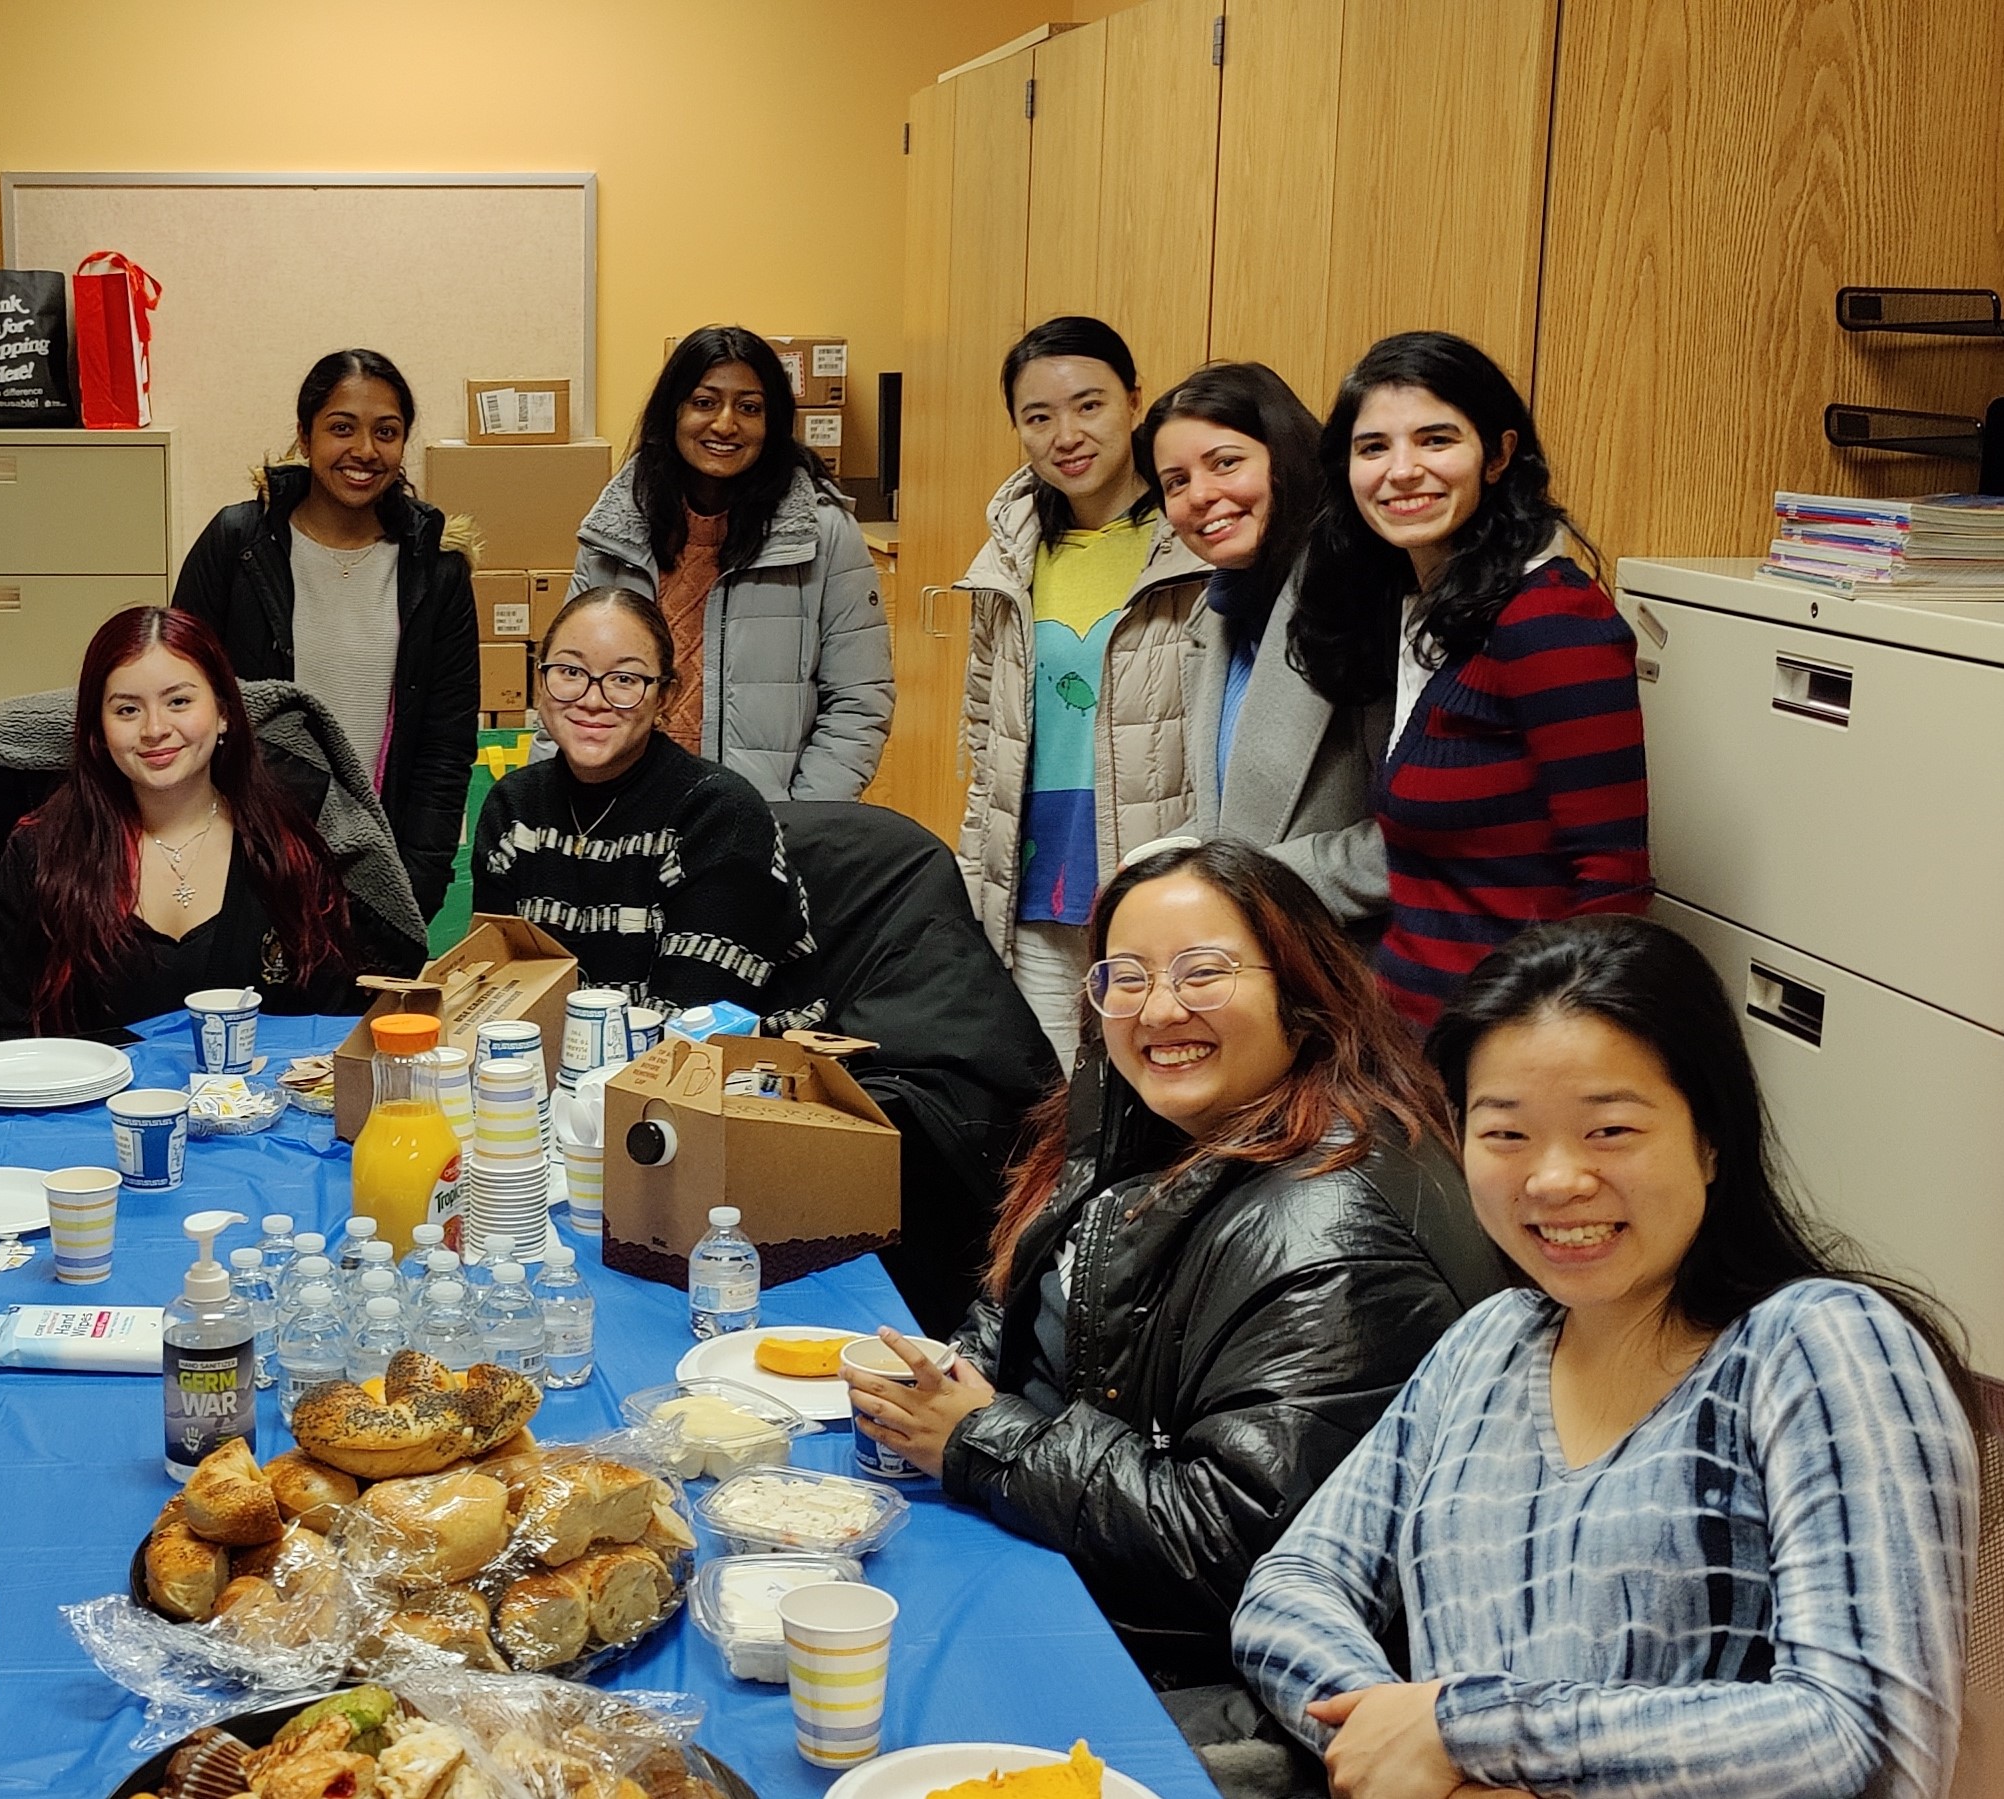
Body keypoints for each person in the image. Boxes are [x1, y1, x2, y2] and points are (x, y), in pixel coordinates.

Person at [1232, 915, 1979, 1799]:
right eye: (1506, 1134)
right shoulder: (1490, 1342)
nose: (1553, 1180)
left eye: (1610, 1131)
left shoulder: (1819, 1346)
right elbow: (1292, 1582)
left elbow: (1859, 1735)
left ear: (1712, 1140)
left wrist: (1462, 1729)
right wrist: (1402, 1744)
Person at [841, 839, 1509, 1786]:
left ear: (1303, 988)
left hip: (1206, 1679)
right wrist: (952, 1373)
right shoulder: (1146, 1110)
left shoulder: (1334, 1225)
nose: (1160, 1010)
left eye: (1204, 972)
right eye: (1126, 977)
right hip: (1080, 1555)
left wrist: (982, 1435)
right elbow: (1030, 1298)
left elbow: (1232, 1543)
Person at [1290, 330, 1649, 1028]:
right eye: (1374, 448)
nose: (1402, 470)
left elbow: (1613, 887)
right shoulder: (1430, 610)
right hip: (1409, 1040)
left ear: (1499, 455)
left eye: (1435, 440)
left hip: (1506, 1056)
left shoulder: (1553, 617)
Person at [0, 606, 423, 1041]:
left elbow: (333, 1027)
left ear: (224, 712)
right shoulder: (43, 854)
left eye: (179, 701)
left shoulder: (286, 844)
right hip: (90, 1121)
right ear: (97, 731)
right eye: (127, 710)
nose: (155, 729)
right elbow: (5, 1037)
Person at [956, 316, 1214, 1072]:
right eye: (1038, 417)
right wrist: (977, 879)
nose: (1065, 434)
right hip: (1035, 880)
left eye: (1089, 405)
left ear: (1135, 400)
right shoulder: (1009, 555)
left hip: (1155, 873)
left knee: (1158, 1094)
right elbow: (985, 733)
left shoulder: (1192, 540)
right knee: (1057, 1104)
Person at [170, 348, 479, 919]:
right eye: (342, 428)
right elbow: (178, 695)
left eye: (386, 432)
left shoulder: (436, 570)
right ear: (305, 437)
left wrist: (418, 882)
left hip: (377, 868)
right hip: (242, 857)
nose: (365, 450)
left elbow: (445, 747)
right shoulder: (237, 544)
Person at [571, 324, 892, 802]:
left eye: (749, 407)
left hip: (762, 821)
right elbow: (570, 682)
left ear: (774, 422)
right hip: (626, 813)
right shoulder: (615, 529)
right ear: (672, 412)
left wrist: (799, 822)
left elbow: (859, 701)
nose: (725, 424)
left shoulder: (821, 533)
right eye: (704, 402)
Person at [472, 588, 816, 1016]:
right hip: (565, 1063)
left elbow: (694, 1022)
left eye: (625, 680)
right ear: (540, 682)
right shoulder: (513, 808)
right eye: (569, 671)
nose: (592, 700)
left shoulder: (718, 815)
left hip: (728, 1068)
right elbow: (500, 992)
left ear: (665, 698)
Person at [1137, 362, 1387, 931]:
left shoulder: (1363, 600)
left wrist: (1254, 883)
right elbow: (1229, 814)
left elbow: (1424, 838)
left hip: (1351, 962)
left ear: (1288, 457)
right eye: (1175, 482)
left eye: (1225, 463)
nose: (1201, 495)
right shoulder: (1220, 609)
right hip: (1252, 947)